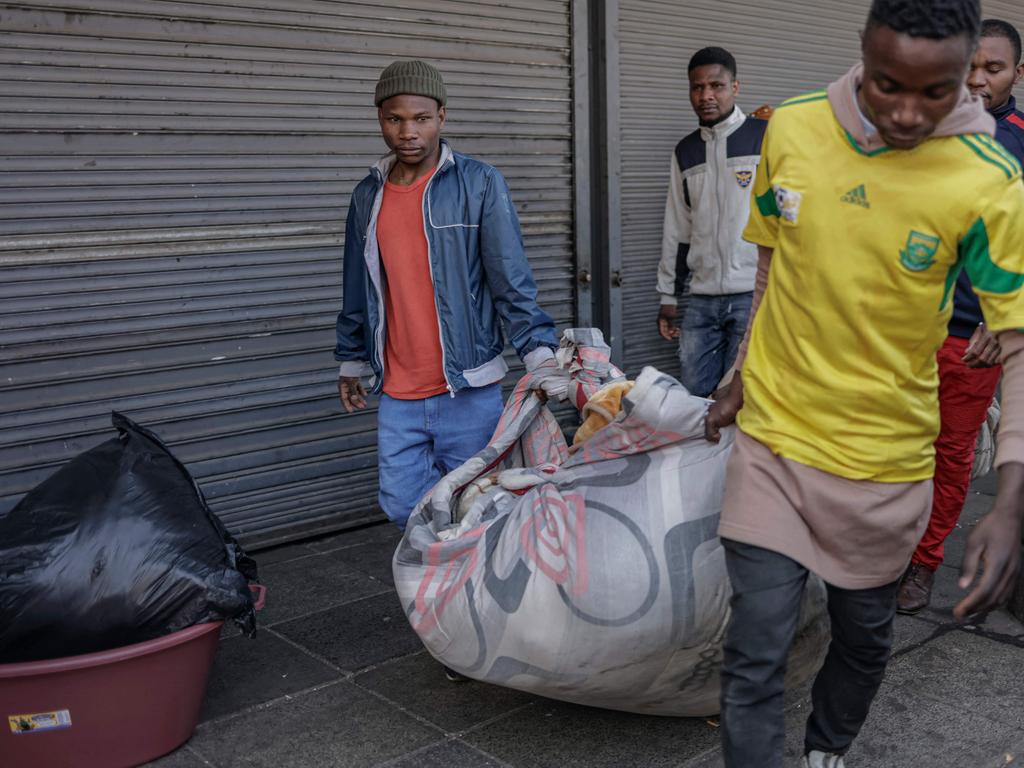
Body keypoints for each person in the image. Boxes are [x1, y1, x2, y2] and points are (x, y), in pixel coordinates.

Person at [703, 1, 1024, 766]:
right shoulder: (794, 128)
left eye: (937, 92)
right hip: (776, 440)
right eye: (887, 86)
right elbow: (770, 267)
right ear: (861, 53)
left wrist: (1013, 497)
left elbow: (1017, 343)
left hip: (885, 463)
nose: (907, 114)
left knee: (864, 638)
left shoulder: (991, 180)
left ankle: (826, 751)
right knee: (755, 647)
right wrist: (740, 373)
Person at [335, 60, 565, 534]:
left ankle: (477, 602)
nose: (407, 131)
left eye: (420, 118)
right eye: (394, 118)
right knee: (404, 507)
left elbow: (509, 278)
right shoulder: (366, 196)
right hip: (398, 391)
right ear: (380, 119)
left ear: (442, 116)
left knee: (477, 506)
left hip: (468, 387)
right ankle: (440, 595)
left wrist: (538, 353)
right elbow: (357, 283)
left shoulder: (479, 182)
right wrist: (352, 357)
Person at [899, 17, 1024, 614]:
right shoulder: (927, 132)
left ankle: (923, 564)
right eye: (968, 66)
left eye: (992, 69)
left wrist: (1005, 320)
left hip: (976, 340)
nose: (977, 80)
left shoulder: (1021, 138)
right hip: (906, 329)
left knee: (951, 452)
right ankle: (879, 552)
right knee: (893, 447)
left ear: (1016, 74)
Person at [655, 47, 767, 397]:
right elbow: (677, 226)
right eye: (697, 87)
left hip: (753, 294)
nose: (706, 96)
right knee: (694, 397)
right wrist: (668, 295)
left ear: (735, 87)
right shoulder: (685, 151)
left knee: (743, 398)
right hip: (702, 300)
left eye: (716, 85)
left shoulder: (764, 137)